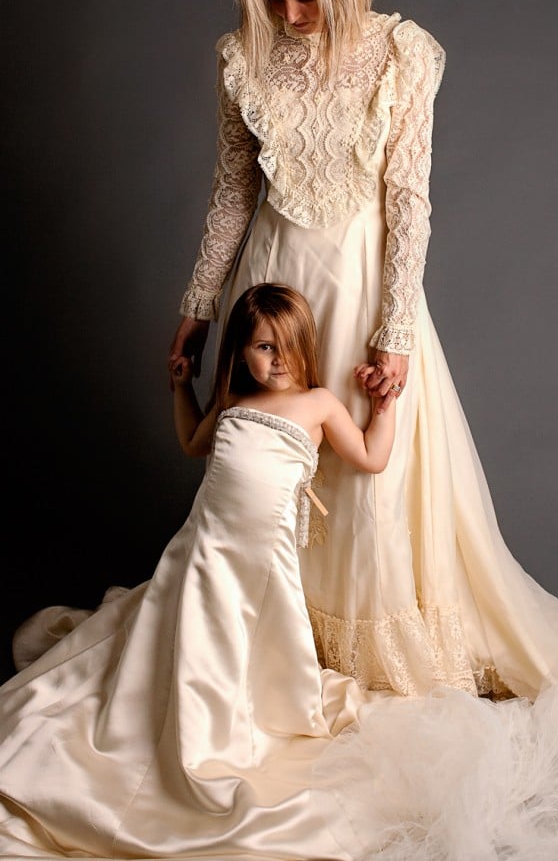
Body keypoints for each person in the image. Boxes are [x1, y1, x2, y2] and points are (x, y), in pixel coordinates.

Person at [168, 0, 558, 714]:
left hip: (363, 281)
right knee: (269, 458)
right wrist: (198, 303)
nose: (289, 13)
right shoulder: (243, 56)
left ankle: (360, 641)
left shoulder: (403, 55)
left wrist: (395, 327)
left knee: (368, 465)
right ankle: (273, 631)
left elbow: (409, 200)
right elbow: (233, 191)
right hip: (274, 282)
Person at [0, 283, 395, 858]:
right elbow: (191, 444)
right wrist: (181, 386)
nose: (277, 360)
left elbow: (371, 458)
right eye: (263, 348)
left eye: (286, 347)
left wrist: (384, 407)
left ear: (304, 346)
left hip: (263, 563)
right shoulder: (233, 405)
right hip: (203, 550)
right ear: (240, 352)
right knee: (184, 636)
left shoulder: (319, 405)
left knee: (249, 644)